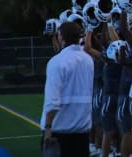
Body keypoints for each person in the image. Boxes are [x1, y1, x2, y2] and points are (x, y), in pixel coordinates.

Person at [41, 21, 95, 157]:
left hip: (60, 130)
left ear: (61, 37)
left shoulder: (56, 61)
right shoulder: (88, 60)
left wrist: (48, 127)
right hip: (82, 130)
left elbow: (52, 100)